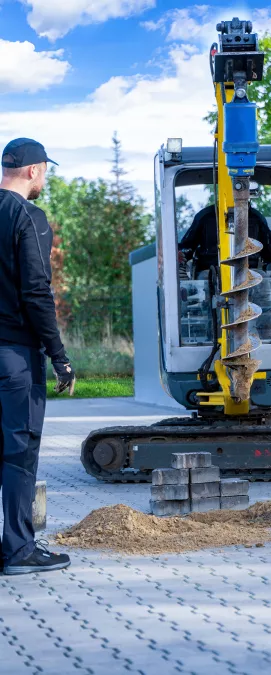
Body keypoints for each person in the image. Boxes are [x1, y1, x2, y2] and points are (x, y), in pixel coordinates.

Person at [0, 138, 75, 576]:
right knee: (18, 453)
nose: (44, 178)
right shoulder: (29, 217)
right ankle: (19, 550)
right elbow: (35, 292)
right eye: (45, 170)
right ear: (33, 171)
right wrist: (59, 356)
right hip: (14, 359)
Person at [178, 202, 271, 277]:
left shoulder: (256, 218)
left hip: (250, 270)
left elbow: (269, 251)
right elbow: (187, 247)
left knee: (263, 280)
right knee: (204, 280)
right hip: (210, 271)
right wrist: (181, 254)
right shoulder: (204, 217)